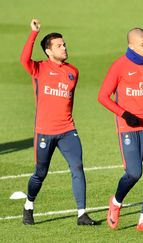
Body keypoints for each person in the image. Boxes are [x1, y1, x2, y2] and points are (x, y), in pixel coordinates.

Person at [19, 19, 99, 226]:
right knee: (40, 173)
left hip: (67, 129)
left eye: (64, 44)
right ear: (48, 51)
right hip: (44, 131)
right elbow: (23, 59)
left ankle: (82, 213)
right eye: (59, 45)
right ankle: (29, 205)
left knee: (77, 166)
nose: (64, 47)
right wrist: (33, 33)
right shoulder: (39, 68)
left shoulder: (73, 72)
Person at [98, 27, 143, 232]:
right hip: (128, 128)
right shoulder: (119, 66)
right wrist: (125, 114)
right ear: (131, 46)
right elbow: (103, 96)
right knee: (134, 173)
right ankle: (116, 203)